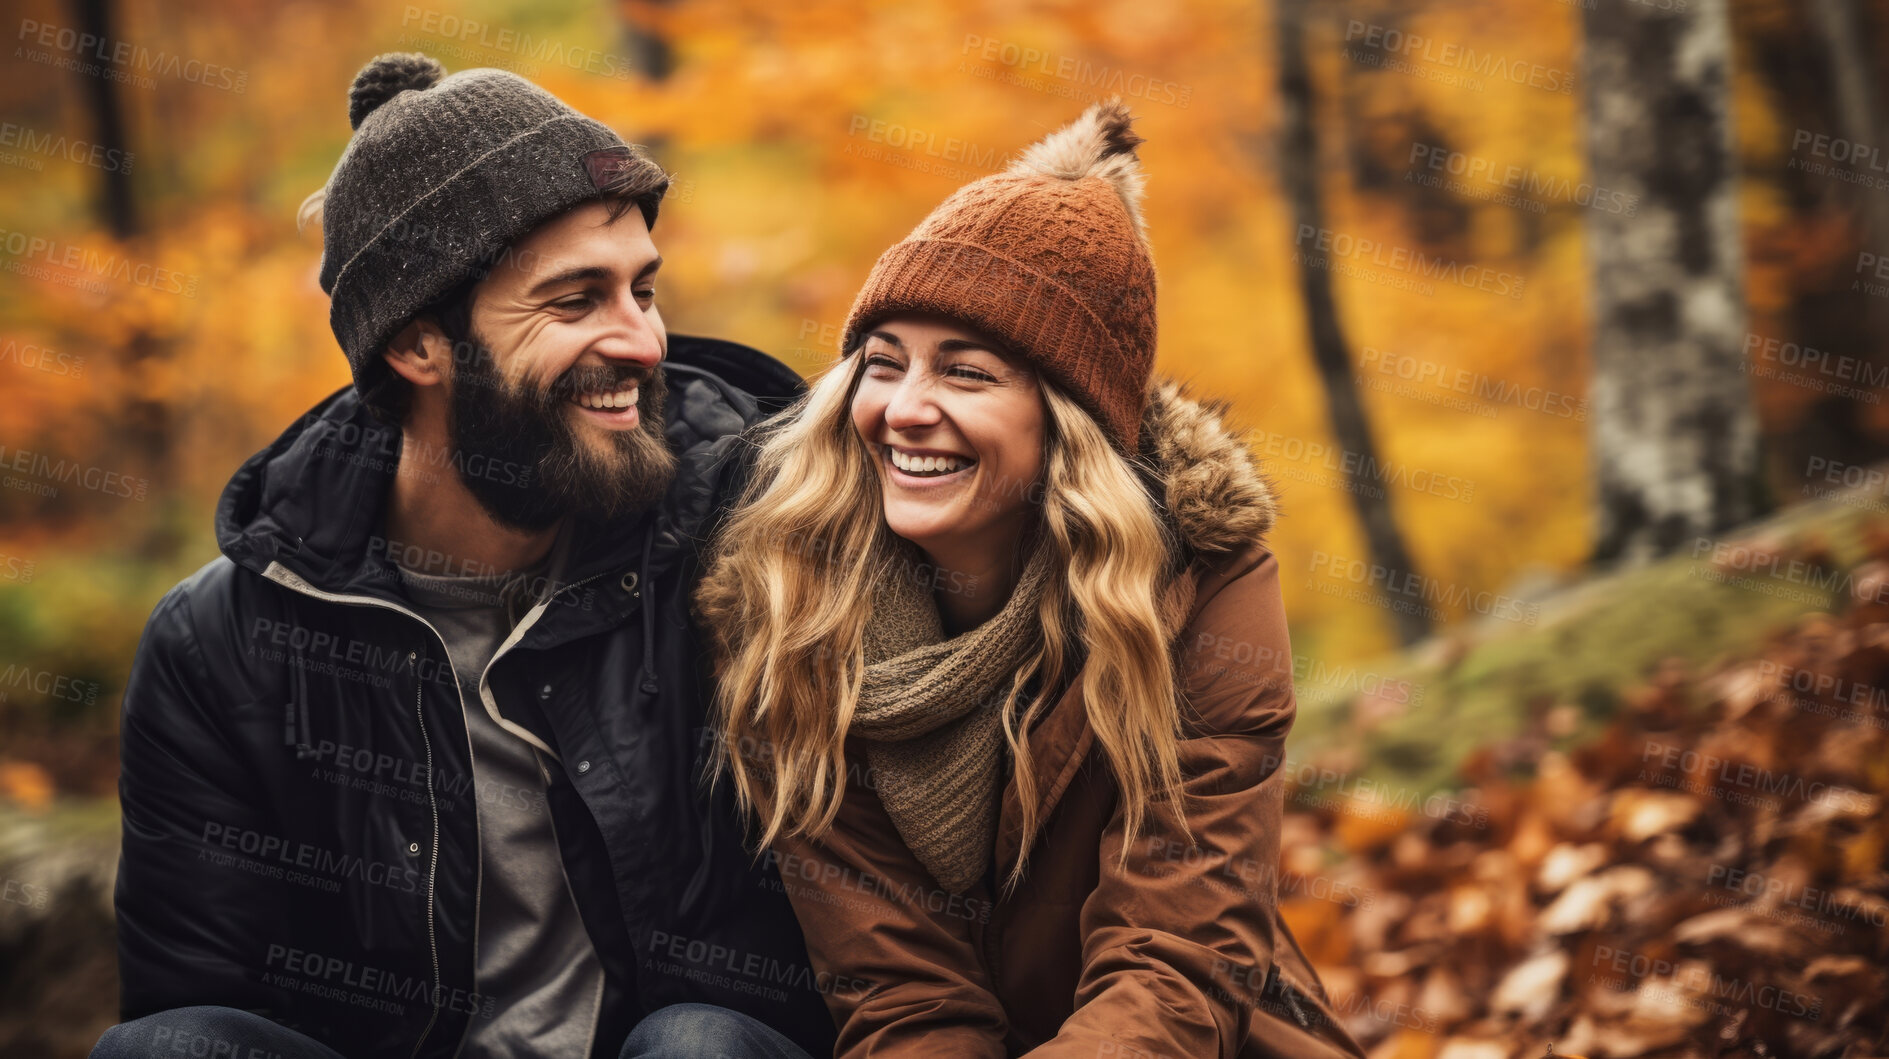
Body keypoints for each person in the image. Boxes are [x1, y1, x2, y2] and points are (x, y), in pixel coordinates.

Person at [94, 53, 830, 1059]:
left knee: (698, 1043)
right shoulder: (221, 645)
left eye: (642, 290)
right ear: (417, 346)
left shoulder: (753, 544)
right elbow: (201, 992)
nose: (644, 342)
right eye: (575, 302)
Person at [694, 100, 1369, 1057]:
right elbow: (902, 994)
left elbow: (1174, 957)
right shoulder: (793, 610)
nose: (904, 410)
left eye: (965, 374)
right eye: (882, 365)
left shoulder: (1199, 587)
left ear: (1068, 422)